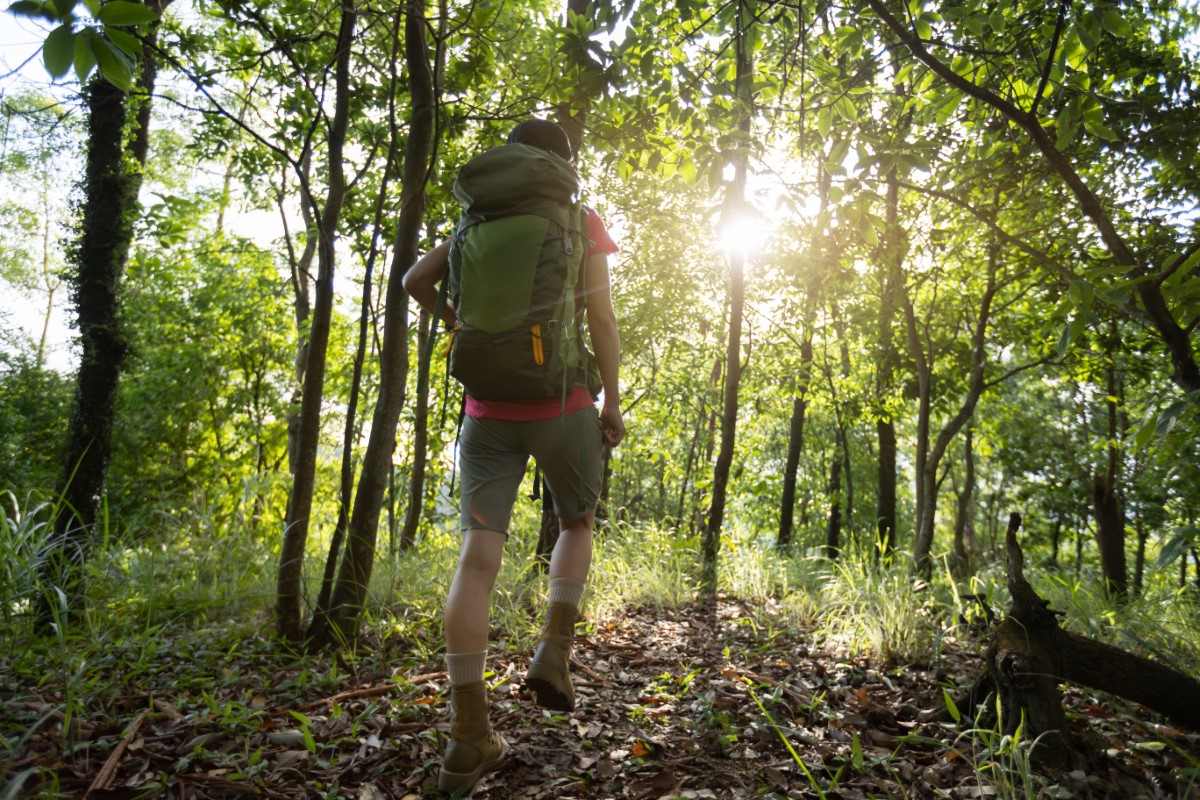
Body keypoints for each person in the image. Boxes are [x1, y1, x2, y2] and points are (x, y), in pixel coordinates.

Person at [403, 118, 625, 794]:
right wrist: (611, 402)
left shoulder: (472, 223)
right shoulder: (577, 218)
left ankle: (468, 733)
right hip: (562, 404)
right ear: (563, 163)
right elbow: (602, 319)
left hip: (485, 411)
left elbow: (414, 281)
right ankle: (554, 650)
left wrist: (459, 322)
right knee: (577, 522)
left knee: (476, 559)